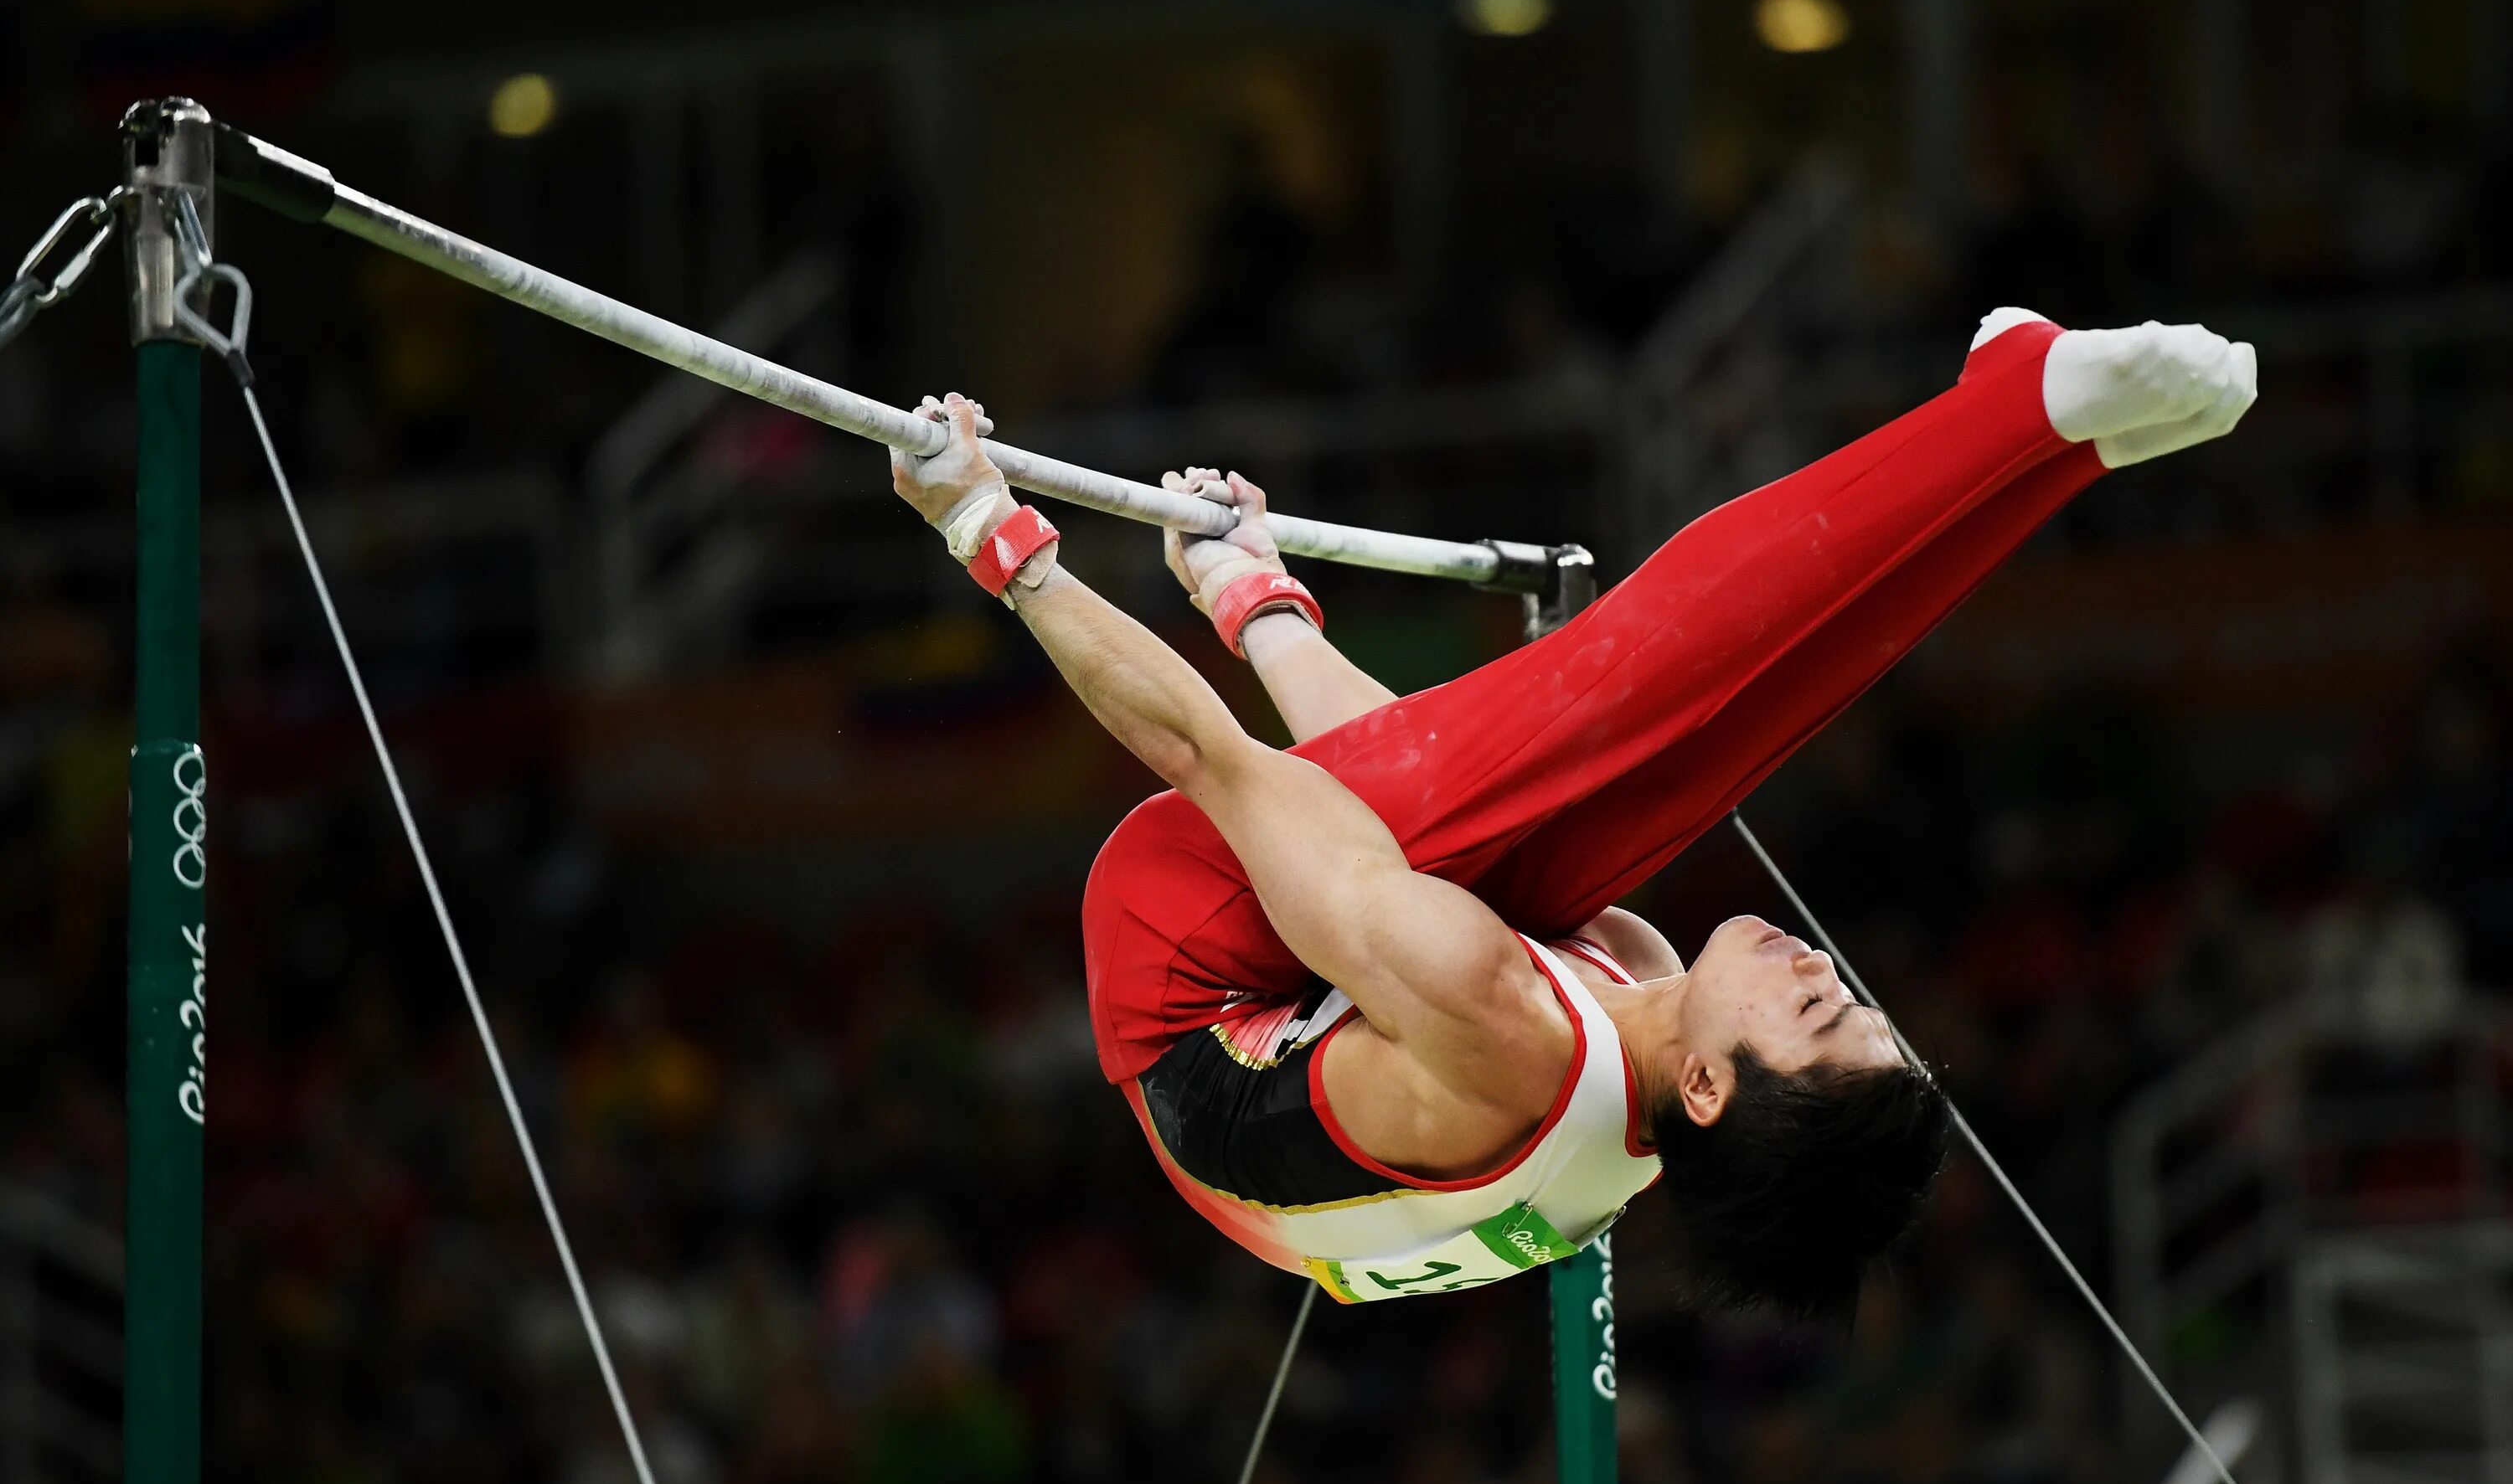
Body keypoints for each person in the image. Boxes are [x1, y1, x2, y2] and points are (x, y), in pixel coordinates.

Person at [889, 308, 2255, 1318]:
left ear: (1712, 1088)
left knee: (1630, 691)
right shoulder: (1648, 995)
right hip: (1371, 1039)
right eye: (1854, 995)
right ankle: (2044, 451)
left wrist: (991, 534)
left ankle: (2017, 415)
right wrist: (1255, 593)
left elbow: (1217, 763)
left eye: (1821, 1014)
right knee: (1671, 750)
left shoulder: (1505, 1020)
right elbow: (1424, 775)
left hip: (1182, 1004)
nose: (1824, 968)